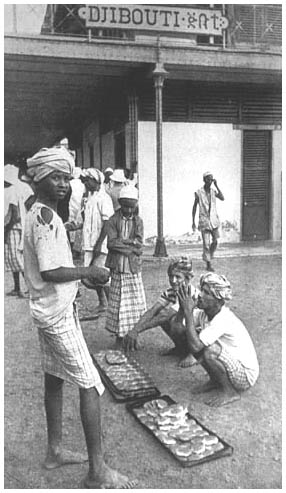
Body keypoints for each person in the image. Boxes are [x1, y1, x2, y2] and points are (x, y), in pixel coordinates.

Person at [24, 146, 136, 489]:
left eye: (65, 178)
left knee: (55, 376)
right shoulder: (43, 218)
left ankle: (55, 450)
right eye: (54, 177)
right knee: (91, 384)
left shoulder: (45, 213)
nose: (62, 184)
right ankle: (98, 471)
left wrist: (80, 276)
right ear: (39, 180)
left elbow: (57, 268)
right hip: (56, 315)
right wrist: (88, 269)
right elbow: (50, 269)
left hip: (50, 308)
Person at [177, 272, 259, 407]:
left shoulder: (223, 318)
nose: (200, 295)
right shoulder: (205, 314)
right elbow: (178, 326)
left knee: (208, 349)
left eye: (207, 293)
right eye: (202, 290)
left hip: (245, 375)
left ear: (219, 300)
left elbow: (196, 347)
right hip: (232, 365)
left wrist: (188, 312)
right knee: (196, 339)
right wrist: (183, 308)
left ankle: (230, 392)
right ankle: (216, 381)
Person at [122, 257, 199, 367]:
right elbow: (153, 311)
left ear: (187, 279)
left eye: (178, 277)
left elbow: (165, 315)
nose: (173, 280)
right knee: (163, 315)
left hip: (199, 333)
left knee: (172, 320)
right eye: (171, 276)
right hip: (186, 327)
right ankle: (180, 348)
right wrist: (134, 330)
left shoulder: (191, 293)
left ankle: (194, 354)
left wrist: (136, 331)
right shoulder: (172, 292)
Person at [105, 184, 146, 347]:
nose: (128, 210)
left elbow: (139, 245)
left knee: (134, 304)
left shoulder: (138, 221)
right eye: (125, 206)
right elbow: (111, 244)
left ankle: (133, 336)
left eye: (132, 206)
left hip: (133, 269)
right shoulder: (112, 220)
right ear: (120, 204)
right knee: (118, 303)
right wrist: (130, 248)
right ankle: (119, 337)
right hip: (118, 268)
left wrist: (125, 243)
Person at [81, 168, 114, 312]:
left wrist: (99, 244)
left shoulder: (103, 198)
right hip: (89, 243)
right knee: (90, 277)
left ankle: (111, 305)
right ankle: (103, 303)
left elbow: (108, 223)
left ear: (95, 181)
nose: (86, 183)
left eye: (88, 181)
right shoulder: (90, 198)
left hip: (100, 244)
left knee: (102, 275)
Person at [4, 164, 34, 298]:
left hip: (17, 226)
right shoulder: (11, 189)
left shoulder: (15, 189)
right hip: (18, 224)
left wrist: (6, 230)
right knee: (12, 258)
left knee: (18, 258)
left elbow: (16, 214)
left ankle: (31, 288)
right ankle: (17, 287)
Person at [192, 172, 224, 272]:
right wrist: (193, 221)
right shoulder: (198, 192)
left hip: (214, 221)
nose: (210, 181)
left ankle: (209, 255)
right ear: (204, 180)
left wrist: (217, 185)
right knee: (206, 244)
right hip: (204, 221)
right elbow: (194, 207)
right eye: (208, 179)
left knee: (215, 241)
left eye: (211, 179)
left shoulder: (213, 191)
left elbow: (222, 198)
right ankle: (208, 264)